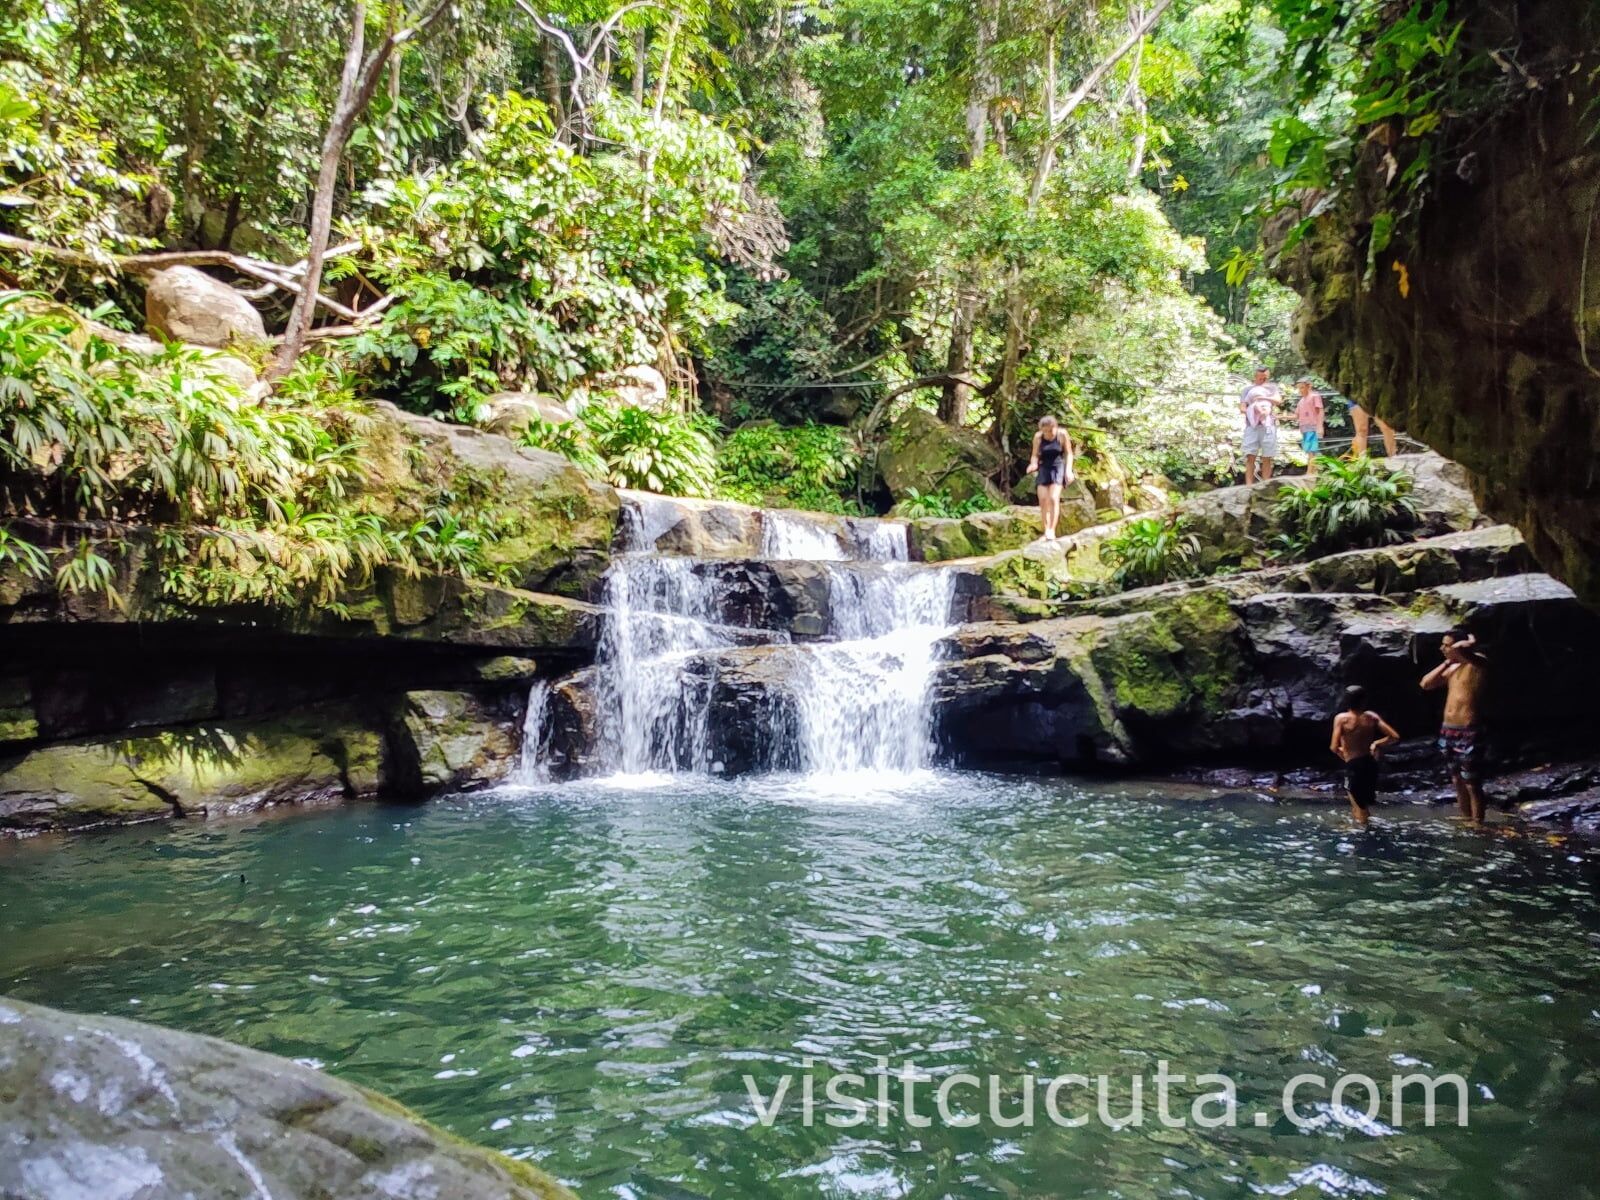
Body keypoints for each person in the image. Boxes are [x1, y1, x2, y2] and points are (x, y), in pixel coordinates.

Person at [1420, 626, 1489, 823]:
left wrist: (1466, 646)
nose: (1442, 648)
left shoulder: (1478, 663)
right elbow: (1425, 684)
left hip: (1469, 730)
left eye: (1447, 645)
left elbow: (1468, 654)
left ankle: (1478, 824)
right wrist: (1447, 661)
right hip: (1448, 730)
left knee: (1471, 781)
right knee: (1456, 779)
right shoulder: (1452, 667)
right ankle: (1466, 819)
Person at [1329, 685, 1400, 826]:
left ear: (1346, 701)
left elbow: (1334, 747)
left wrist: (1347, 758)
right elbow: (1394, 737)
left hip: (1354, 766)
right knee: (1363, 803)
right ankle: (1359, 826)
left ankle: (1361, 832)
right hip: (1370, 764)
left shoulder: (1342, 719)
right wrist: (1376, 743)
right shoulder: (1371, 717)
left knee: (1359, 805)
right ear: (1363, 701)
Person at [1026, 414, 1074, 541]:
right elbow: (1035, 455)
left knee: (1053, 498)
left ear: (1055, 427)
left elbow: (1068, 453)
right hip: (1044, 468)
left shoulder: (1062, 435)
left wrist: (1068, 470)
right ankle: (1046, 529)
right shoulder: (1038, 437)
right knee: (1043, 499)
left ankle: (1052, 530)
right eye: (1046, 431)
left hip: (1058, 467)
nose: (1049, 433)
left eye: (1051, 430)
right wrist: (1033, 464)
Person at [1239, 365, 1280, 484]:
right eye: (1261, 378)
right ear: (1255, 377)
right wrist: (1254, 410)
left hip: (1268, 425)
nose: (1263, 380)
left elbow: (1278, 400)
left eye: (1265, 378)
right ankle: (1249, 486)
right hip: (1252, 426)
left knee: (1267, 457)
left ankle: (1266, 485)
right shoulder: (1247, 390)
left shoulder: (1272, 388)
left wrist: (1263, 398)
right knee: (1250, 456)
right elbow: (1242, 407)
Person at [1295, 379, 1326, 477]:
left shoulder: (1314, 396)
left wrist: (1320, 426)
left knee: (1311, 450)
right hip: (1304, 428)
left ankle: (1309, 473)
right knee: (1309, 450)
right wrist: (1279, 416)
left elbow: (1320, 411)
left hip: (1312, 426)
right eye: (1299, 388)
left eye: (1302, 387)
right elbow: (1296, 415)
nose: (1300, 390)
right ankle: (1314, 472)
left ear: (1309, 386)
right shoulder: (1301, 401)